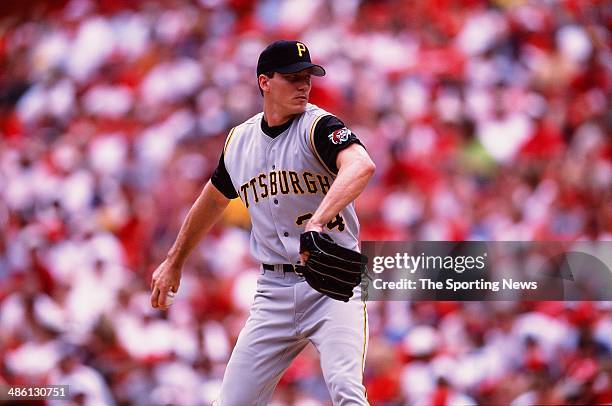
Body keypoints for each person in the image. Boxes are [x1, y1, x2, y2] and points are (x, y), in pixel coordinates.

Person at [150, 39, 376, 405]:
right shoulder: (240, 141)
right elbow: (211, 200)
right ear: (264, 82)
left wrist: (317, 221)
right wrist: (174, 261)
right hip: (273, 290)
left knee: (347, 393)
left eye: (307, 77)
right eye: (292, 77)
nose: (303, 85)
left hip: (334, 284)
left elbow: (361, 164)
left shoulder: (318, 126)